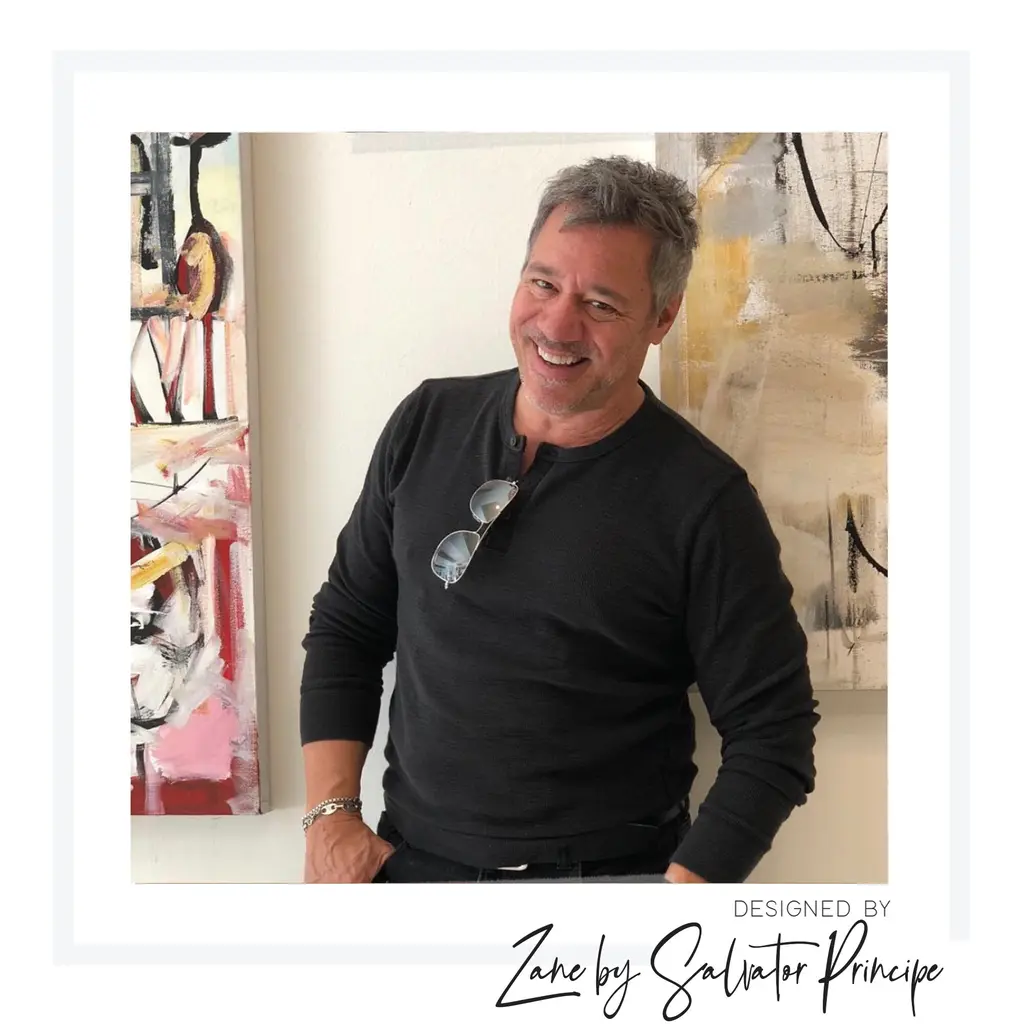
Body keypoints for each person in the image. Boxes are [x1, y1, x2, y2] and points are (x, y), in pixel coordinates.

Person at [299, 155, 819, 884]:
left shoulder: (705, 500)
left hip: (606, 885)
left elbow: (774, 733)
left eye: (601, 304)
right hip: (408, 868)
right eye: (543, 284)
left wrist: (675, 907)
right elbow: (347, 626)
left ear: (662, 317)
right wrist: (330, 820)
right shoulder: (426, 421)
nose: (556, 325)